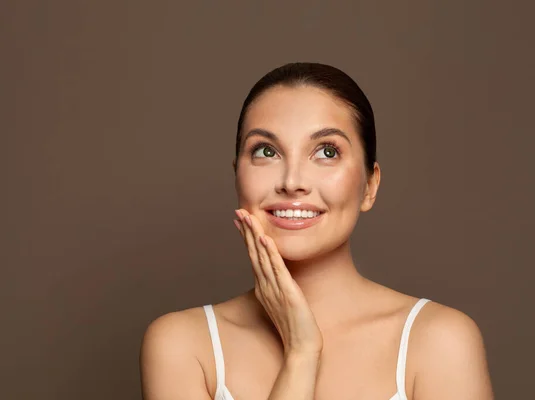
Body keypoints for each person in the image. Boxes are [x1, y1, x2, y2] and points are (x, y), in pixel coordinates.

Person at [140, 62, 494, 400]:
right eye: (266, 151)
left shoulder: (439, 341)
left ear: (370, 185)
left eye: (326, 151)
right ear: (237, 175)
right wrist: (301, 353)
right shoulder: (184, 345)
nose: (292, 182)